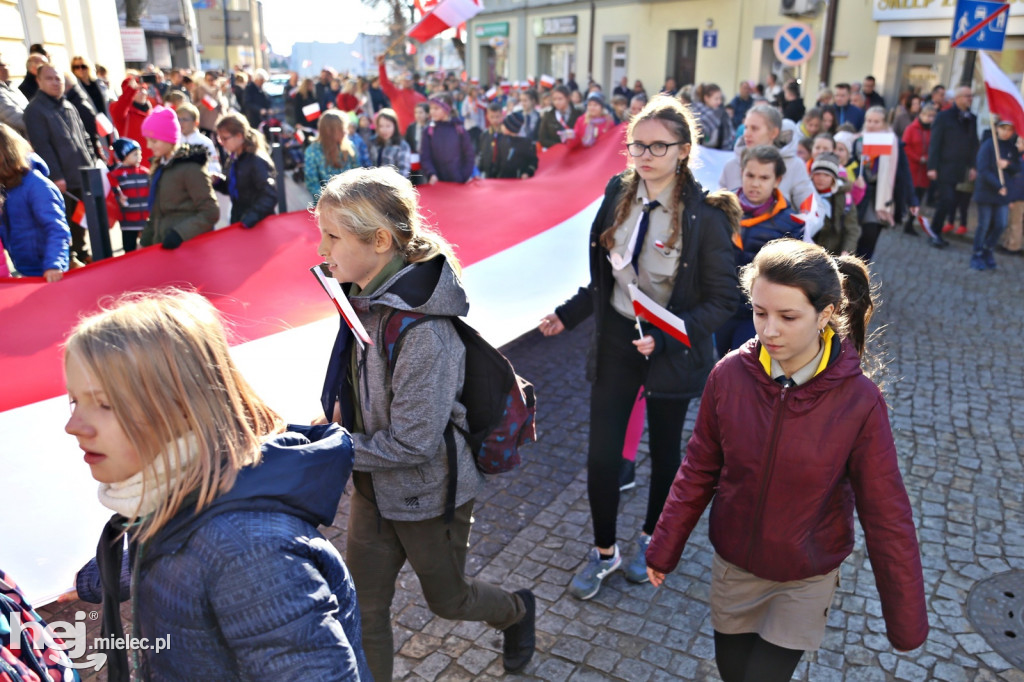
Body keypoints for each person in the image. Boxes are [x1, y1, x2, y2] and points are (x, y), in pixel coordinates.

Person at [646, 238, 928, 682]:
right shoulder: (728, 376)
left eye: (788, 316)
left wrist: (906, 617)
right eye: (760, 313)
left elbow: (886, 512)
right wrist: (664, 548)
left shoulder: (860, 403)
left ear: (826, 314)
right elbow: (698, 468)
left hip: (804, 578)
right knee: (733, 674)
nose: (769, 330)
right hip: (735, 567)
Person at [63, 289, 371, 681]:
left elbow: (219, 557)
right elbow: (178, 548)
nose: (73, 426)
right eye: (75, 402)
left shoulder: (251, 556)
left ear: (182, 408)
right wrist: (96, 579)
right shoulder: (183, 494)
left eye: (104, 404)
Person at [314, 167, 536, 680]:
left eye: (333, 236)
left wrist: (332, 447)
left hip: (427, 495)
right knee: (362, 609)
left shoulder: (425, 335)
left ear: (381, 240)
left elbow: (413, 443)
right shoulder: (361, 295)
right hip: (374, 488)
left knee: (449, 599)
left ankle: (517, 611)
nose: (322, 249)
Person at [538, 95, 742, 601]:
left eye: (659, 145)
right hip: (617, 341)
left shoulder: (706, 215)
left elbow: (723, 300)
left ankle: (654, 539)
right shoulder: (617, 193)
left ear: (683, 150)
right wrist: (568, 315)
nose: (645, 154)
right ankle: (604, 552)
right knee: (603, 455)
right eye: (638, 145)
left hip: (672, 349)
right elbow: (604, 277)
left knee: (667, 451)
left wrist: (672, 334)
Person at [716, 145, 803, 356]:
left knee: (743, 368)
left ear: (778, 180)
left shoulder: (791, 223)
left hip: (756, 314)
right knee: (715, 367)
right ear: (741, 173)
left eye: (764, 178)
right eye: (750, 175)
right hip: (717, 309)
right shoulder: (718, 209)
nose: (755, 183)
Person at [23, 64, 99, 264]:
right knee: (62, 218)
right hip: (61, 177)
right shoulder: (34, 110)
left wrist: (91, 163)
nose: (56, 83)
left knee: (79, 217)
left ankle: (81, 252)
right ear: (38, 81)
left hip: (81, 172)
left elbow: (84, 137)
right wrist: (55, 176)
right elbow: (42, 146)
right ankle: (69, 257)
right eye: (50, 78)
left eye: (59, 78)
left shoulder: (68, 105)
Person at [139, 106, 219, 250]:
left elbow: (210, 212)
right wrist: (145, 241)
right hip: (165, 245)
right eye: (147, 140)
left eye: (154, 141)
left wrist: (179, 234)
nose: (148, 145)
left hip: (189, 248)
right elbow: (156, 212)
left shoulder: (191, 168)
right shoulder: (160, 167)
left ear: (169, 139)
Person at [0, 122, 70, 280]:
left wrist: (54, 264)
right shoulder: (7, 187)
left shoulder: (37, 186)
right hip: (26, 268)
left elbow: (57, 228)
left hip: (48, 270)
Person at [720, 104, 815, 212]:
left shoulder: (794, 166)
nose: (747, 134)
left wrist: (791, 227)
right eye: (746, 127)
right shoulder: (731, 166)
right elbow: (719, 211)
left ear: (773, 133)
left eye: (754, 128)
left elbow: (811, 213)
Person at [852, 106, 917, 261]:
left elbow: (904, 173)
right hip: (859, 194)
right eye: (869, 120)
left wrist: (912, 200)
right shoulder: (857, 141)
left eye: (876, 122)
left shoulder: (893, 144)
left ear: (884, 124)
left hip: (880, 197)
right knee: (854, 235)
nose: (871, 124)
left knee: (870, 235)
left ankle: (861, 271)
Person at [927, 86, 979, 248]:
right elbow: (935, 142)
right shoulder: (944, 116)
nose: (969, 99)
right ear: (957, 98)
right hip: (943, 166)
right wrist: (932, 166)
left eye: (971, 96)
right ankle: (935, 232)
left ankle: (937, 231)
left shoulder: (971, 118)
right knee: (946, 199)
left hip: (959, 168)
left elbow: (973, 144)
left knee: (950, 201)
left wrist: (972, 166)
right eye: (966, 96)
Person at [970, 119, 1021, 270]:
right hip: (987, 191)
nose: (1006, 132)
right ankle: (977, 253)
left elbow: (1017, 168)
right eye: (1003, 128)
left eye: (1009, 129)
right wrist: (998, 185)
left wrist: (1008, 165)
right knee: (984, 224)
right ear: (997, 129)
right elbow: (983, 170)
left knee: (1001, 224)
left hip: (1003, 194)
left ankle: (988, 249)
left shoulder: (1011, 147)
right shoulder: (988, 145)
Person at [212, 112, 277, 229]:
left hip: (258, 225)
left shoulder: (256, 161)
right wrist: (218, 182)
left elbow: (270, 195)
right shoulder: (233, 158)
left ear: (239, 136)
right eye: (220, 140)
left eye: (225, 139)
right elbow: (236, 189)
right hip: (240, 220)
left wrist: (251, 217)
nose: (222, 144)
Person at [810, 152, 861, 255]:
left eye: (826, 175)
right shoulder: (804, 191)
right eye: (818, 174)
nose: (821, 179)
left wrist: (846, 252)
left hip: (831, 251)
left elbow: (852, 230)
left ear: (834, 178)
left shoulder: (843, 197)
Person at [304, 109, 359, 201]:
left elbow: (357, 171)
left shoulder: (349, 146)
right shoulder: (312, 151)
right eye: (342, 128)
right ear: (329, 131)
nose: (345, 132)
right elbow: (312, 182)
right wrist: (330, 201)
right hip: (327, 203)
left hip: (351, 200)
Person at [107, 138, 150, 253]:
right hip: (128, 221)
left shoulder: (145, 172)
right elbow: (112, 191)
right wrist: (118, 197)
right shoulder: (116, 174)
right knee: (129, 249)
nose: (139, 157)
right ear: (124, 156)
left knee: (148, 247)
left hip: (145, 219)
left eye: (140, 154)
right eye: (135, 154)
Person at [420, 93, 474, 184]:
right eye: (431, 108)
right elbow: (425, 156)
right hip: (437, 182)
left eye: (436, 108)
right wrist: (431, 173)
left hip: (458, 181)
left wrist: (464, 176)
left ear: (446, 109)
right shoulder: (428, 131)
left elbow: (469, 155)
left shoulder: (459, 129)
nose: (432, 112)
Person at [901, 102, 935, 235]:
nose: (929, 119)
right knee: (908, 196)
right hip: (912, 169)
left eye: (932, 116)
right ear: (921, 115)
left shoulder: (933, 131)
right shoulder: (911, 128)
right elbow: (905, 146)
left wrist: (927, 157)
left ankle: (909, 223)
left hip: (924, 171)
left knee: (918, 199)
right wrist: (917, 157)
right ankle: (900, 217)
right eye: (927, 115)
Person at [477, 112, 538, 179]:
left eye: (504, 125)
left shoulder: (526, 144)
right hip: (501, 179)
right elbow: (497, 160)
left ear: (509, 128)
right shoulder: (502, 139)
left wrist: (527, 172)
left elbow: (533, 161)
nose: (501, 126)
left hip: (517, 181)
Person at [377, 56, 427, 134]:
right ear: (401, 81)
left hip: (416, 133)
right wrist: (381, 66)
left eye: (409, 80)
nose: (407, 81)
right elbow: (384, 83)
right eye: (404, 79)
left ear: (413, 81)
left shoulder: (421, 98)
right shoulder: (395, 94)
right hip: (400, 132)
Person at [177, 103, 220, 175]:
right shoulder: (174, 141)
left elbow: (214, 165)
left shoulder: (205, 142)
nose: (180, 123)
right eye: (178, 119)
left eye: (184, 119)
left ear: (196, 122)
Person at [110, 74, 155, 144]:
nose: (143, 92)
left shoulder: (151, 110)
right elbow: (119, 110)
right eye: (139, 90)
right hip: (132, 153)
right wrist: (130, 90)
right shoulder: (122, 111)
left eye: (144, 89)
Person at [368, 107, 411, 177]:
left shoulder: (402, 146)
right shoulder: (372, 142)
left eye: (388, 126)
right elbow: (367, 165)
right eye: (381, 126)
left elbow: (404, 172)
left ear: (395, 126)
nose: (384, 130)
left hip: (394, 185)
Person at [692, 83, 734, 150]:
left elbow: (729, 134)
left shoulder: (722, 113)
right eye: (716, 99)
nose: (719, 102)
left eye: (720, 98)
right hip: (699, 152)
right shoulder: (695, 112)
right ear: (706, 98)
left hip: (719, 152)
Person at [0, 52, 29, 136]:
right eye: (4, 65)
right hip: (17, 143)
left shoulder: (12, 87)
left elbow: (28, 108)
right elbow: (15, 118)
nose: (7, 68)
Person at [194, 70, 226, 139]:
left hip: (215, 120)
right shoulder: (199, 89)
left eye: (212, 79)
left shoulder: (217, 89)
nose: (210, 82)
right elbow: (194, 103)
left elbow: (220, 103)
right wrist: (203, 102)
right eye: (208, 80)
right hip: (203, 119)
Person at [405, 101, 429, 185]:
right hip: (415, 159)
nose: (418, 115)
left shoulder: (431, 127)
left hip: (428, 158)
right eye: (416, 112)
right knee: (416, 181)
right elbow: (407, 142)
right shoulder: (412, 127)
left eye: (421, 112)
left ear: (427, 114)